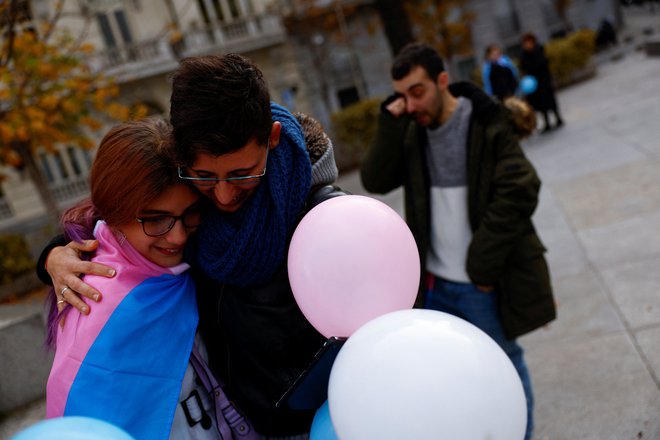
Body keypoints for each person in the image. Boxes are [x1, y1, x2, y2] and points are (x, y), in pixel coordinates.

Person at [38, 54, 344, 439]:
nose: (224, 194)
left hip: (319, 421)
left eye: (242, 174)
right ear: (182, 156)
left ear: (273, 137)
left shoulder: (326, 218)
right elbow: (116, 212)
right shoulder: (182, 195)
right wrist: (54, 254)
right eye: (205, 176)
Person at [360, 42, 556, 440]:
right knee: (451, 373)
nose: (411, 104)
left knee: (504, 365)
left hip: (477, 283)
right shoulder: (413, 130)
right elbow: (375, 181)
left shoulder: (485, 122)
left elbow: (521, 188)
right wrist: (390, 120)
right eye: (402, 95)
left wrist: (482, 264)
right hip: (433, 285)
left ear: (442, 80)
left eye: (418, 91)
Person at [44, 118, 255, 440]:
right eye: (157, 221)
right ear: (113, 212)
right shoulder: (97, 299)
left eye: (190, 214)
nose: (179, 236)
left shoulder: (197, 255)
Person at [519, 32, 564, 133]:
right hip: (534, 85)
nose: (528, 45)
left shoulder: (539, 50)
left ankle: (558, 118)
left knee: (550, 102)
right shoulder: (524, 54)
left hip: (544, 82)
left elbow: (543, 64)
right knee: (540, 104)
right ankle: (547, 122)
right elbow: (523, 67)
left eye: (529, 42)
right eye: (526, 43)